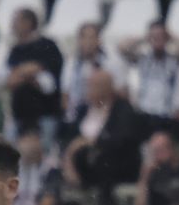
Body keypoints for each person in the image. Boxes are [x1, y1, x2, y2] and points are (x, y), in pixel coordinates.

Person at [62, 68, 145, 197]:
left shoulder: (122, 109)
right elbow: (71, 137)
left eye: (94, 86)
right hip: (82, 161)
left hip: (115, 162)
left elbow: (122, 139)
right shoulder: (83, 110)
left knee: (103, 160)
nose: (89, 89)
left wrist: (90, 143)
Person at [5, 8, 66, 142]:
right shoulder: (15, 50)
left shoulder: (47, 46)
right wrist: (26, 73)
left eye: (16, 21)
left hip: (45, 114)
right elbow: (10, 80)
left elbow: (49, 83)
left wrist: (28, 73)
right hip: (20, 116)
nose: (13, 26)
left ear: (28, 23)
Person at [123, 20, 179, 126]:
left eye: (161, 36)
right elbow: (123, 48)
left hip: (166, 113)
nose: (158, 39)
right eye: (154, 36)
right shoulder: (142, 59)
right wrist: (145, 38)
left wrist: (170, 36)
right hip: (144, 112)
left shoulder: (174, 60)